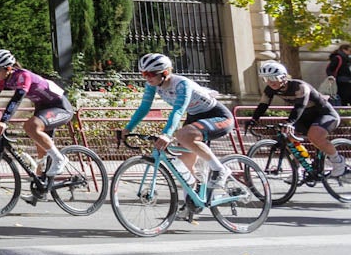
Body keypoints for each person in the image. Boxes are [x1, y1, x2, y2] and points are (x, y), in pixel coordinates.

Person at [120, 52, 237, 191]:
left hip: (217, 116)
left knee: (182, 135)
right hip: (195, 117)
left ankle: (220, 169)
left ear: (165, 72)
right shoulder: (152, 85)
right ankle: (192, 201)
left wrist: (166, 134)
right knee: (185, 166)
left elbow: (178, 111)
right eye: (143, 74)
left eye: (150, 74)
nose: (147, 78)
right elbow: (144, 108)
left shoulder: (182, 85)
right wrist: (128, 129)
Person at [0, 49, 76, 178]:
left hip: (59, 107)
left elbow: (16, 99)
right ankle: (39, 190)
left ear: (8, 68)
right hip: (43, 108)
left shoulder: (23, 76)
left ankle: (60, 159)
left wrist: (4, 121)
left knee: (30, 126)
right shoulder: (1, 79)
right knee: (41, 153)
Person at [251, 59, 346, 178]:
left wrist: (289, 122)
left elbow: (300, 106)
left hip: (324, 114)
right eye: (266, 79)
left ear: (283, 77)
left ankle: (338, 161)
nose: (270, 82)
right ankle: (300, 167)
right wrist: (253, 119)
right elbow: (263, 105)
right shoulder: (270, 89)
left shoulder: (300, 86)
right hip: (304, 116)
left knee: (314, 135)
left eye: (274, 78)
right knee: (288, 136)